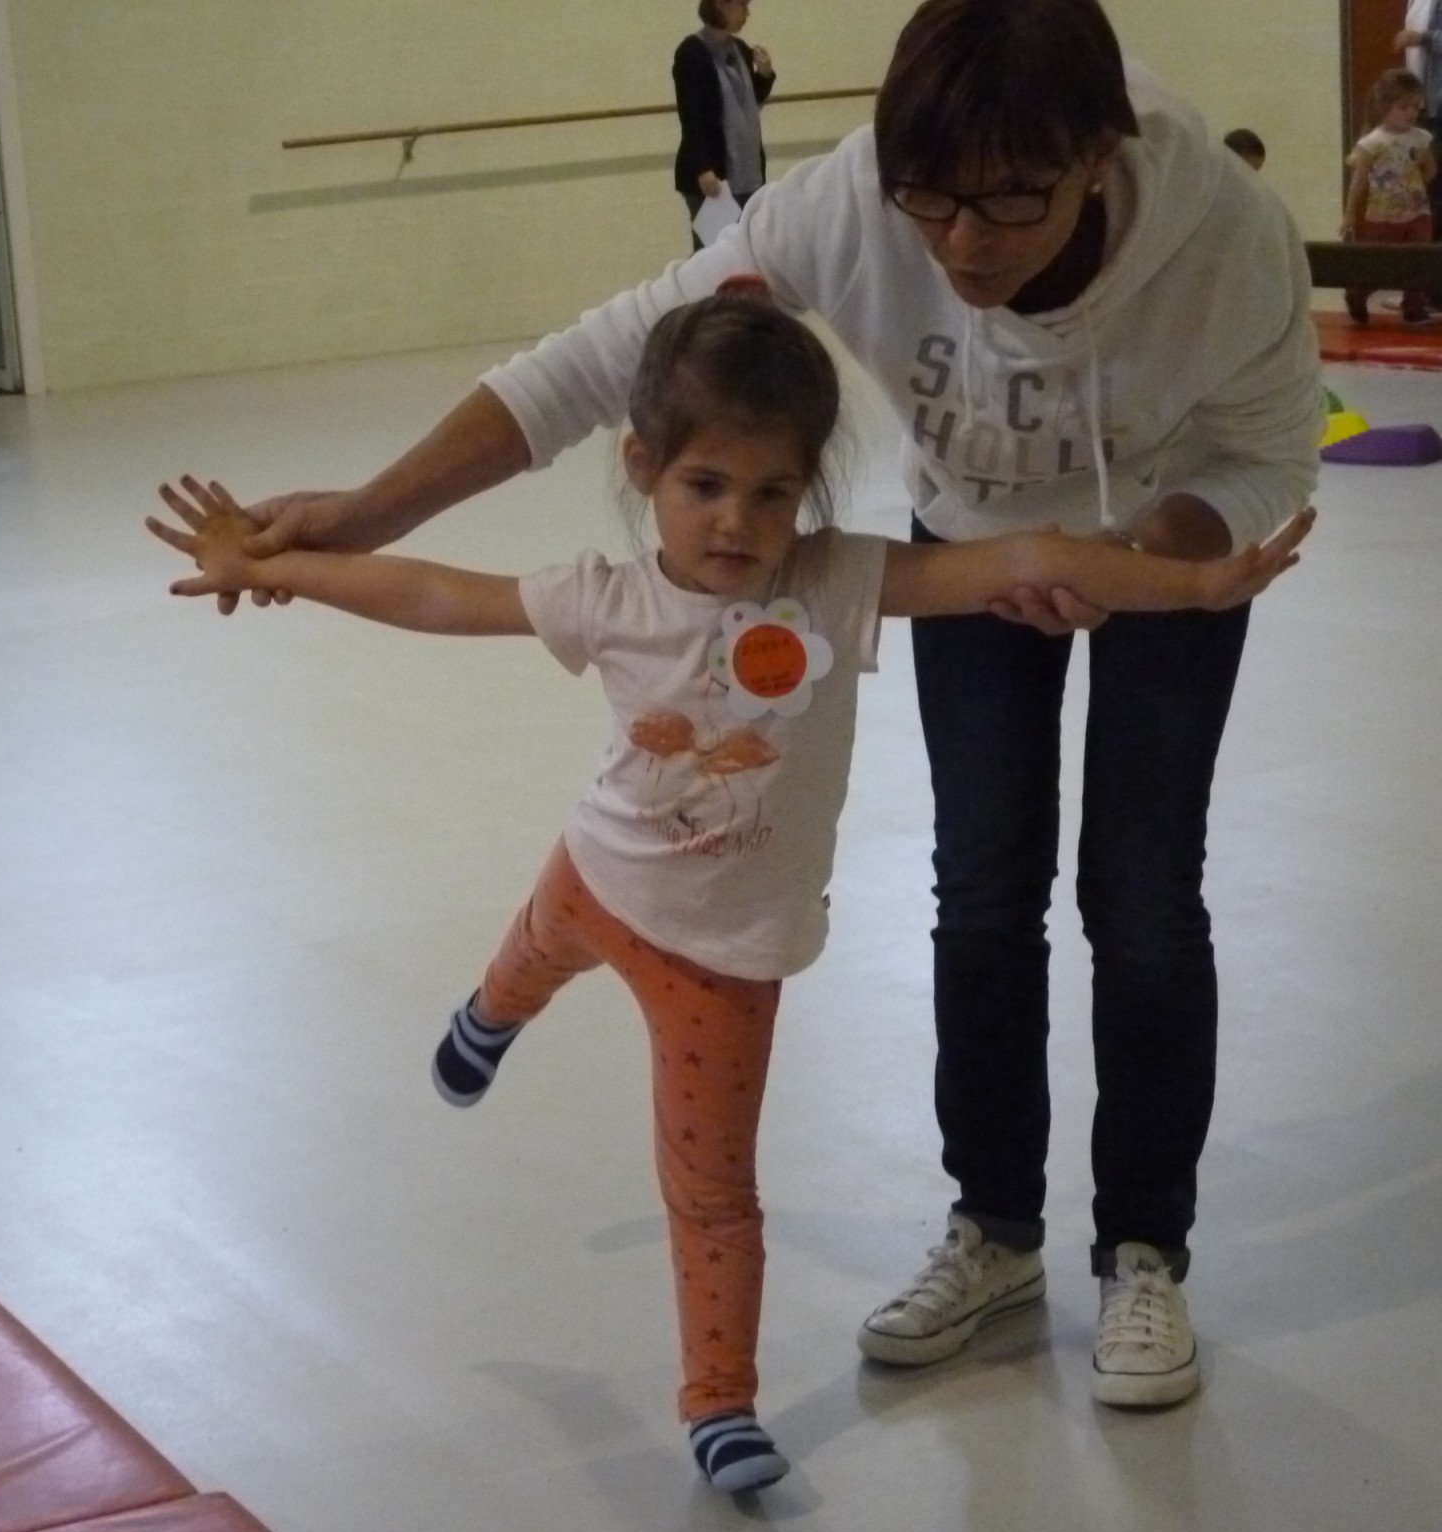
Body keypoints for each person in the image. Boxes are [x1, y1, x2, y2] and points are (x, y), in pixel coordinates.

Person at [225, 0, 1323, 1413]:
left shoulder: (1225, 233)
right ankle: (993, 1230)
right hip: (965, 537)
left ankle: (1143, 1250)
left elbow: (1270, 448)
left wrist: (1150, 565)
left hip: (1168, 542)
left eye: (1008, 205)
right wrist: (366, 514)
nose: (961, 245)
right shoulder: (856, 198)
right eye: (931, 204)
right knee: (983, 884)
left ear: (1097, 160)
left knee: (1145, 892)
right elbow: (602, 363)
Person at [674, 0, 776, 250]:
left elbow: (747, 102)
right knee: (712, 254)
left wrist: (764, 75)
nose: (747, 13)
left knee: (746, 252)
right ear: (721, 5)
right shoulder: (692, 52)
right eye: (742, 5)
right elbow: (691, 113)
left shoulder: (740, 49)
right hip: (713, 175)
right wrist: (703, 167)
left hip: (748, 172)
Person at [1341, 68, 1436, 326]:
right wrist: (1349, 215)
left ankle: (1414, 306)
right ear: (1384, 107)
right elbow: (1359, 181)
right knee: (1381, 263)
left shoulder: (1421, 138)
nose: (1411, 113)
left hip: (1417, 211)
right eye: (1403, 107)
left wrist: (1423, 166)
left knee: (1418, 259)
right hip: (1384, 215)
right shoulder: (1373, 142)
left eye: (1415, 107)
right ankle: (1358, 293)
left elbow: (1430, 172)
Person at [1398, 0, 1442, 227]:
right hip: (1422, 107)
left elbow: (1420, 39)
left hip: (1438, 104)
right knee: (1426, 182)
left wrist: (1422, 38)